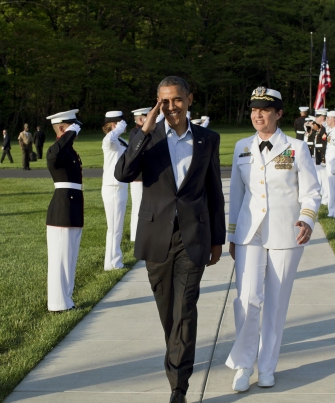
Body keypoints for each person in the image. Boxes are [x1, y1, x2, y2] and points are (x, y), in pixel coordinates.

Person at [115, 76, 225, 403]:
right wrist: (143, 130)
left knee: (185, 309)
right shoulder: (147, 139)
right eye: (164, 101)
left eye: (177, 99)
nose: (171, 107)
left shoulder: (208, 139)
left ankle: (179, 387)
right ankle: (175, 357)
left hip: (194, 237)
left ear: (189, 99)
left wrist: (216, 239)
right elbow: (123, 173)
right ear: (157, 103)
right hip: (156, 238)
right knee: (169, 313)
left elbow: (214, 193)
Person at [225, 87, 321, 393]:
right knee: (247, 299)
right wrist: (232, 234)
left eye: (265, 110)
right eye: (254, 109)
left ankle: (267, 366)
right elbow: (237, 195)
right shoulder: (241, 147)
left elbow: (311, 191)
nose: (257, 114)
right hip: (249, 235)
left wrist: (306, 218)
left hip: (285, 233)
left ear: (279, 114)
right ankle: (243, 364)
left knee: (276, 304)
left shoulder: (295, 147)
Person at [44, 110, 83, 312]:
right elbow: (55, 155)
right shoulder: (55, 151)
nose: (76, 130)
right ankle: (57, 304)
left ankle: (66, 300)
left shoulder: (69, 150)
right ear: (62, 128)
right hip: (62, 210)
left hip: (72, 208)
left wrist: (69, 134)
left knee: (69, 257)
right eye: (71, 126)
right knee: (60, 259)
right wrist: (70, 133)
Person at [101, 111, 129, 270]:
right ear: (114, 124)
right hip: (112, 187)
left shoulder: (121, 140)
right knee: (114, 228)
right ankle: (113, 263)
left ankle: (113, 261)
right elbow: (108, 139)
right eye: (120, 123)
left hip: (121, 186)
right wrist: (116, 129)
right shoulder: (110, 140)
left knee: (117, 227)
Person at [129, 107, 151, 242]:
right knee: (138, 205)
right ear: (142, 119)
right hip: (139, 177)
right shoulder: (136, 133)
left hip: (145, 175)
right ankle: (135, 235)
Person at [314, 110, 329, 205]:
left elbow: (326, 144)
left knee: (326, 180)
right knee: (322, 178)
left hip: (325, 157)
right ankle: (324, 197)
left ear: (322, 117)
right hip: (321, 156)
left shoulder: (325, 129)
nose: (315, 119)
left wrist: (324, 157)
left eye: (317, 116)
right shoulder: (322, 128)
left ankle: (326, 198)